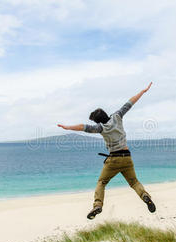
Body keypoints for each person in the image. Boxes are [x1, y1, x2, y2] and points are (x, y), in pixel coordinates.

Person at [57, 82, 156, 219]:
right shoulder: (117, 116)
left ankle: (97, 205)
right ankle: (145, 196)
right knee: (134, 182)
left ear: (98, 121)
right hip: (127, 157)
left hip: (113, 159)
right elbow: (130, 102)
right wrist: (142, 91)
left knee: (101, 183)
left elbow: (83, 127)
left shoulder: (100, 128)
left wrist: (68, 127)